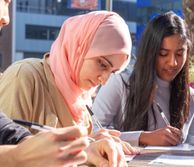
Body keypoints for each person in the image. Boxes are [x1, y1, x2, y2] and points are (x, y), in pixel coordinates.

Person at [0, 0, 133, 166]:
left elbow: (17, 139)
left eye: (112, 72)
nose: (104, 80)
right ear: (79, 46)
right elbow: (11, 144)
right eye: (102, 64)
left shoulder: (81, 102)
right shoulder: (24, 76)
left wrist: (88, 144)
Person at [92, 11, 194, 146]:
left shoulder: (189, 97)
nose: (173, 63)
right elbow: (92, 132)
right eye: (163, 54)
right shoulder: (120, 83)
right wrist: (142, 137)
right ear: (150, 52)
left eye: (180, 54)